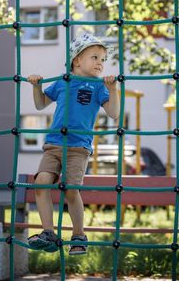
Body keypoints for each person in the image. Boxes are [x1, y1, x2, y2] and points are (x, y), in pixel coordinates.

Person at [27, 33, 120, 254]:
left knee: (70, 189)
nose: (100, 63)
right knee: (41, 182)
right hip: (54, 144)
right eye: (95, 57)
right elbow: (40, 105)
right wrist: (36, 86)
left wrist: (113, 89)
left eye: (103, 60)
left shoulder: (98, 86)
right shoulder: (62, 81)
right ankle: (48, 232)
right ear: (77, 60)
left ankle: (79, 235)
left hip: (78, 148)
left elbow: (114, 113)